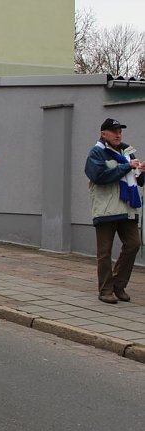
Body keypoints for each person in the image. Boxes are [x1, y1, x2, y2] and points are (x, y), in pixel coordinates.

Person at [84, 118, 144, 304]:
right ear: (104, 134)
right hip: (106, 209)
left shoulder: (128, 152)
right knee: (105, 252)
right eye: (113, 131)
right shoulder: (97, 152)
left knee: (133, 244)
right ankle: (105, 290)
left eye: (120, 131)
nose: (118, 134)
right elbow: (99, 175)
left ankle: (119, 284)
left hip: (127, 207)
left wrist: (141, 171)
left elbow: (138, 182)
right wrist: (127, 167)